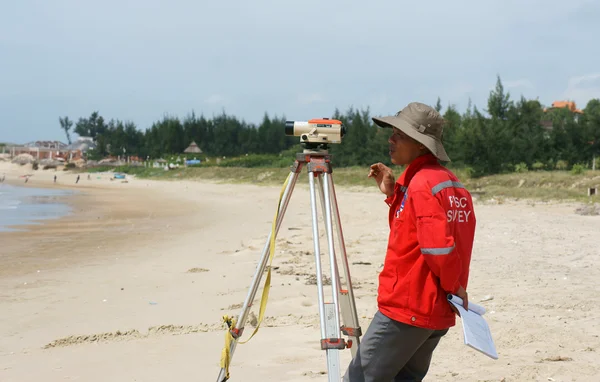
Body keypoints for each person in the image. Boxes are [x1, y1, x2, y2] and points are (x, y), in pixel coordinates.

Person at [343, 102, 476, 381]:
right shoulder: (452, 184)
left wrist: (455, 287)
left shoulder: (421, 184)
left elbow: (438, 248)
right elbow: (417, 234)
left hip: (409, 308)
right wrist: (393, 194)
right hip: (435, 309)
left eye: (398, 134)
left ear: (420, 144)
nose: (390, 139)